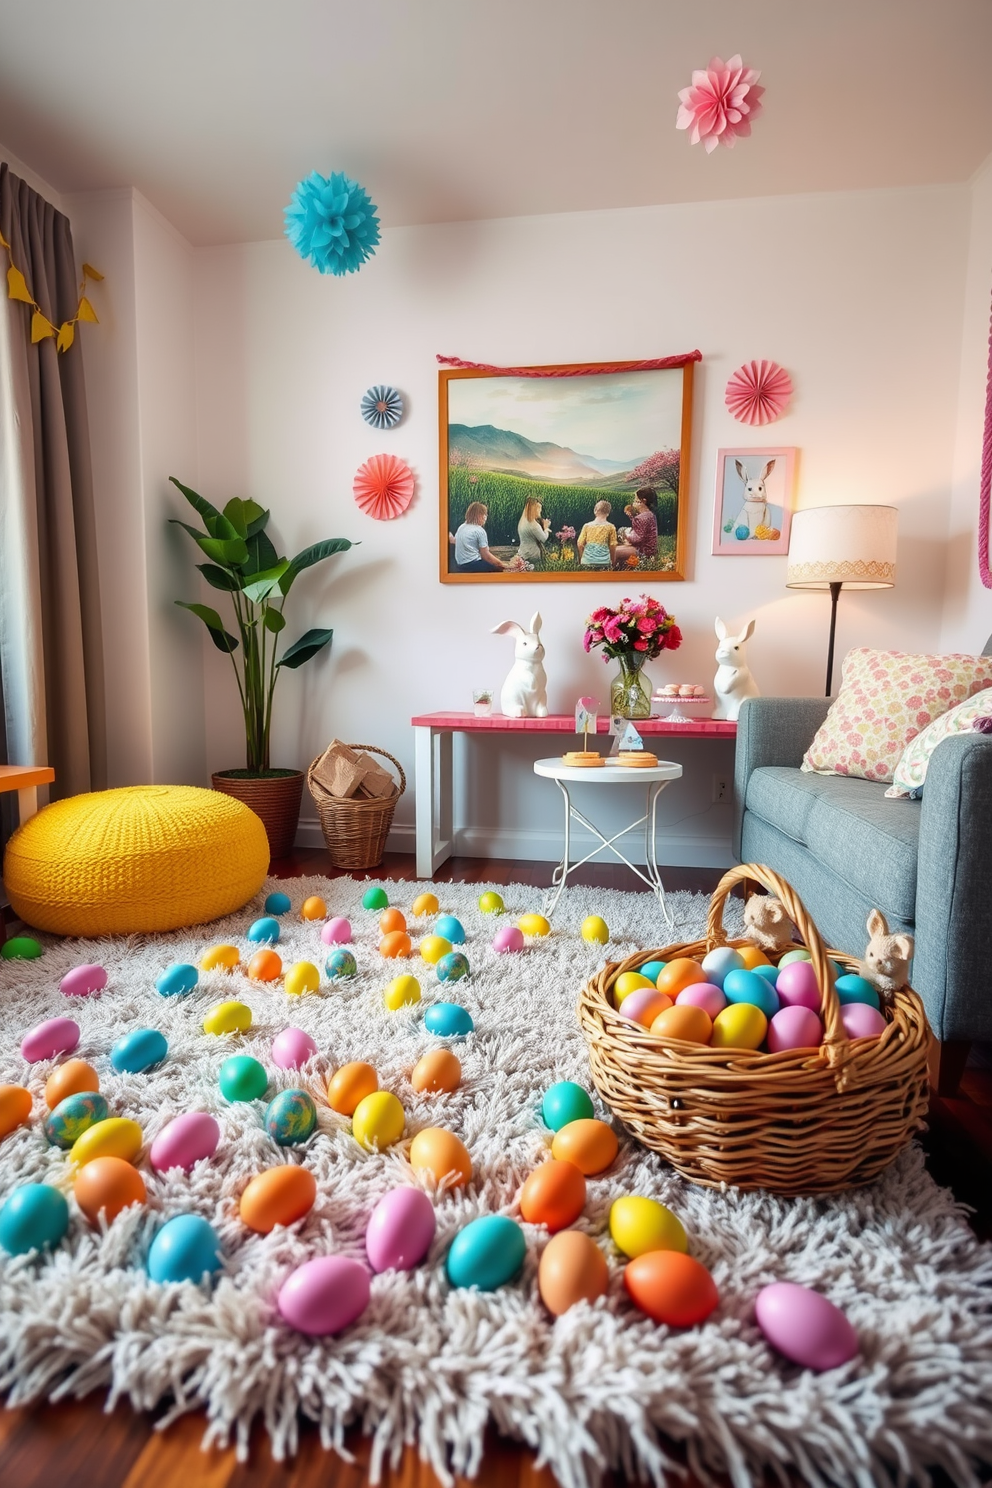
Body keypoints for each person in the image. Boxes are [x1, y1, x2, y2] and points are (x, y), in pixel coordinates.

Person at [451, 502, 521, 573]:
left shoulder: (462, 526)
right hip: (472, 565)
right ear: (479, 515)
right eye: (484, 514)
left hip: (460, 565)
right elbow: (486, 556)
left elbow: (457, 541)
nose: (486, 517)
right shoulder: (479, 530)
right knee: (498, 569)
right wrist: (502, 564)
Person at [613, 487, 659, 568]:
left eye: (636, 499)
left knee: (614, 551)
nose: (633, 502)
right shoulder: (650, 515)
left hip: (643, 551)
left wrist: (626, 533)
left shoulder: (641, 517)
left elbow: (637, 538)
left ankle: (613, 572)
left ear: (643, 501)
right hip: (650, 550)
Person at [576, 500, 617, 570]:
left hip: (587, 562)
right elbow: (612, 545)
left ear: (595, 511)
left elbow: (580, 544)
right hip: (604, 563)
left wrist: (583, 558)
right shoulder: (611, 527)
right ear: (608, 513)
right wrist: (612, 561)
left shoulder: (587, 526)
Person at [516, 498, 551, 567]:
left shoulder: (523, 521)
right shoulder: (533, 525)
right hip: (533, 556)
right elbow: (543, 539)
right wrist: (546, 528)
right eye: (539, 508)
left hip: (523, 553)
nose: (540, 511)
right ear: (534, 509)